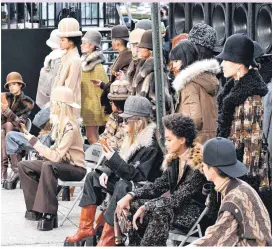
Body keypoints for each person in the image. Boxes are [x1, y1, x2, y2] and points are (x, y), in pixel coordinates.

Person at [64, 95, 163, 246]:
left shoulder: (151, 147)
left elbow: (138, 177)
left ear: (138, 122)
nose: (122, 123)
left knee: (121, 185)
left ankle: (108, 239)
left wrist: (113, 160)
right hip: (126, 181)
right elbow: (123, 161)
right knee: (93, 177)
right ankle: (85, 228)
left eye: (126, 120)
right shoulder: (133, 137)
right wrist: (107, 170)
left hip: (140, 188)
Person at [117, 114, 208, 246]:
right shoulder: (174, 160)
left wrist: (147, 206)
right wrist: (131, 195)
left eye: (169, 140)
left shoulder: (197, 164)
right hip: (176, 209)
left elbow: (178, 198)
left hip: (195, 213)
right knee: (134, 204)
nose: (165, 144)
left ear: (182, 139)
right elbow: (158, 186)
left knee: (160, 210)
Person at [18, 86, 86, 231]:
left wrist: (35, 143)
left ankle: (49, 213)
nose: (51, 107)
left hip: (75, 168)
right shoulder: (61, 125)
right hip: (62, 164)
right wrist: (33, 141)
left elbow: (55, 157)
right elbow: (55, 151)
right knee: (24, 165)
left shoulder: (70, 128)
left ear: (60, 106)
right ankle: (35, 208)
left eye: (53, 104)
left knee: (48, 166)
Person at [189, 137, 272, 246]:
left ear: (212, 169)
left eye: (204, 164)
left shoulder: (233, 199)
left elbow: (212, 241)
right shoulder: (239, 186)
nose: (202, 167)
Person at [216, 34, 269, 192]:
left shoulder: (251, 97)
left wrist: (244, 184)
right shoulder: (234, 88)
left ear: (239, 64)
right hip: (231, 166)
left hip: (240, 174)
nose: (222, 64)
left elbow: (252, 145)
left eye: (227, 60)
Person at [171, 40, 220, 144]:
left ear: (184, 59)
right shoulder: (204, 78)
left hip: (196, 143)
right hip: (210, 138)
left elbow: (193, 120)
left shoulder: (189, 84)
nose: (173, 65)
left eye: (176, 61)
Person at [1, 72, 34, 185]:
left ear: (20, 85)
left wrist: (7, 111)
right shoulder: (5, 97)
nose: (11, 87)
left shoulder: (27, 102)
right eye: (9, 85)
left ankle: (6, 171)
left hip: (18, 131)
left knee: (8, 129)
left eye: (14, 84)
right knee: (4, 130)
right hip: (3, 130)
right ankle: (12, 170)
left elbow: (21, 122)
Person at [132, 29, 173, 115]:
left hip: (149, 123)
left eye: (142, 47)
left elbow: (163, 103)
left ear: (150, 50)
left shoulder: (155, 73)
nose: (138, 49)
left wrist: (147, 117)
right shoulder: (142, 66)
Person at [95, 25, 132, 116]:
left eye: (112, 40)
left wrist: (103, 85)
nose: (112, 42)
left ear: (117, 42)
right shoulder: (125, 55)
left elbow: (121, 84)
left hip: (121, 102)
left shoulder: (125, 56)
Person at [80, 29, 109, 144]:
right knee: (92, 135)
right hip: (90, 105)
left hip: (93, 107)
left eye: (85, 43)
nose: (82, 45)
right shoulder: (87, 64)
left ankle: (101, 159)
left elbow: (103, 88)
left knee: (92, 136)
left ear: (92, 46)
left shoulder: (96, 67)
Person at [52, 17, 82, 118]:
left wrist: (60, 104)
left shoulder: (74, 60)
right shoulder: (66, 57)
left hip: (67, 105)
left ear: (71, 41)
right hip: (61, 102)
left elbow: (70, 87)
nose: (60, 42)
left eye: (62, 40)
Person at [36, 29, 65, 109]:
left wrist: (43, 72)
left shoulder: (57, 59)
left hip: (52, 96)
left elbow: (56, 79)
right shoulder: (54, 56)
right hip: (51, 94)